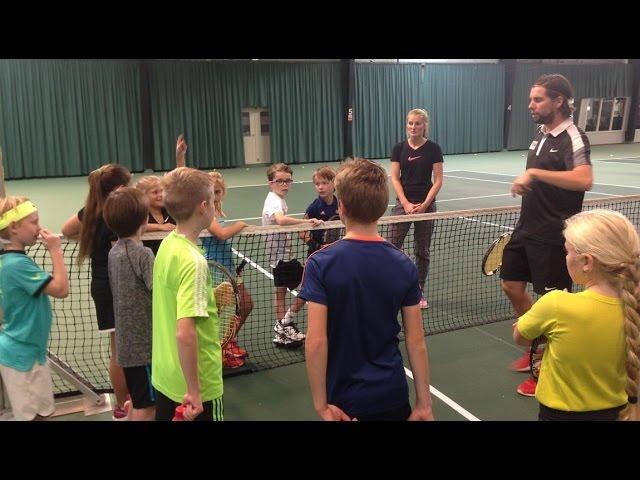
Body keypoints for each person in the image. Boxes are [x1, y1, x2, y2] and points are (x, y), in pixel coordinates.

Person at [300, 158, 434, 421]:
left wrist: (321, 405)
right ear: (383, 207)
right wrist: (424, 404)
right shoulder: (405, 264)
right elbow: (416, 341)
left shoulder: (320, 264)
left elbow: (316, 342)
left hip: (344, 402)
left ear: (341, 206)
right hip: (392, 396)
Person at [503, 74, 593, 397]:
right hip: (526, 228)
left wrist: (534, 173)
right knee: (511, 284)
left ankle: (548, 365)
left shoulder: (573, 136)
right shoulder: (540, 134)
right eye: (530, 99)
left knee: (554, 304)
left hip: (554, 236)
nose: (530, 105)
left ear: (558, 101)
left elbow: (584, 179)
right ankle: (538, 347)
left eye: (537, 99)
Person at [513, 209, 639, 421]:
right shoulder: (633, 307)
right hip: (619, 412)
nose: (566, 257)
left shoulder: (556, 304)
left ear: (587, 262)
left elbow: (521, 337)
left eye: (567, 252)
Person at [61, 164, 132, 420]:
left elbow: (67, 229)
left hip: (103, 287)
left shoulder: (91, 212)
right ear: (120, 188)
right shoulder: (119, 214)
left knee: (119, 347)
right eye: (129, 183)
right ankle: (124, 404)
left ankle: (125, 403)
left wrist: (89, 235)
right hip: (117, 287)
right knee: (123, 349)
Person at [152, 167, 223, 421]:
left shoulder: (167, 244)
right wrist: (194, 390)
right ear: (203, 207)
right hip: (196, 385)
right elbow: (185, 332)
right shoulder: (194, 262)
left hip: (165, 375)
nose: (215, 206)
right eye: (214, 201)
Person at [0, 196, 69, 420]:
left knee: (42, 414)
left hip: (30, 351)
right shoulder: (17, 264)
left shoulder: (12, 260)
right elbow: (60, 289)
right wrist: (55, 250)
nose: (39, 227)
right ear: (13, 227)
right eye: (34, 222)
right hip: (21, 356)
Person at [104, 187, 156, 421]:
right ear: (145, 219)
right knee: (148, 408)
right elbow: (158, 292)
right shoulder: (143, 254)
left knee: (138, 400)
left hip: (127, 345)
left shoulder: (113, 252)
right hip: (143, 348)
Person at [262, 163, 323, 348]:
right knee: (309, 284)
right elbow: (280, 220)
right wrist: (305, 223)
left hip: (278, 255)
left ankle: (282, 330)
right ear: (271, 183)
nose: (284, 184)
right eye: (280, 181)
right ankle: (284, 325)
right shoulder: (274, 200)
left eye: (288, 180)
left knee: (280, 293)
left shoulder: (276, 198)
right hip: (281, 258)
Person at [388, 108, 444, 309]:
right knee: (391, 247)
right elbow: (395, 177)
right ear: (407, 125)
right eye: (410, 123)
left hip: (426, 206)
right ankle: (394, 287)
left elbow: (438, 180)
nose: (413, 127)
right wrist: (405, 203)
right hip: (403, 205)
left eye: (418, 123)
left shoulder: (434, 149)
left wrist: (425, 205)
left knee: (422, 251)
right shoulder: (399, 148)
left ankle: (418, 291)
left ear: (424, 125)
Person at [282, 166, 340, 338]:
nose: (320, 187)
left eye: (324, 183)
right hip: (316, 256)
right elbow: (301, 231)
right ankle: (284, 322)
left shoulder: (340, 204)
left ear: (333, 184)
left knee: (336, 289)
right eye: (317, 184)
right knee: (308, 291)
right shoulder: (314, 207)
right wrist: (315, 245)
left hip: (336, 255)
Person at [204, 171, 252, 369]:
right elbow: (222, 234)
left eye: (218, 192)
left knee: (246, 304)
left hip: (229, 267)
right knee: (215, 313)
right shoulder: (206, 213)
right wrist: (240, 225)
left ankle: (226, 341)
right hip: (215, 269)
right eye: (211, 192)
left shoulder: (219, 210)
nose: (214, 196)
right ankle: (214, 350)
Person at [135, 176, 175, 256]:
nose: (160, 195)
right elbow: (135, 225)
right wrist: (160, 227)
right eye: (155, 192)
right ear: (143, 195)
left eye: (162, 191)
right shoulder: (140, 213)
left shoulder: (171, 210)